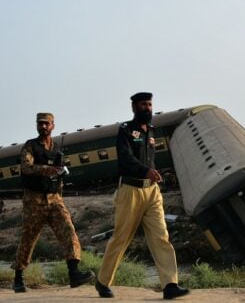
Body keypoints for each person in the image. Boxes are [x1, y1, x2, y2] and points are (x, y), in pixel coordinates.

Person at [95, 92, 189, 300]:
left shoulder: (152, 132)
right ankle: (102, 281)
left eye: (149, 104)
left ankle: (170, 284)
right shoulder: (126, 130)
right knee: (121, 238)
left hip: (152, 191)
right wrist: (145, 171)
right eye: (143, 105)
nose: (147, 108)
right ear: (134, 108)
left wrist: (154, 174)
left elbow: (150, 160)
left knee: (161, 236)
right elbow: (126, 158)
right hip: (130, 190)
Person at [11, 113, 93, 292]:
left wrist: (59, 185)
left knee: (68, 231)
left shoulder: (57, 149)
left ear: (53, 126)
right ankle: (18, 277)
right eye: (40, 124)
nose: (43, 127)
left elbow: (59, 175)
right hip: (34, 199)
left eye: (46, 124)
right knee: (28, 239)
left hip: (55, 199)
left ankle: (74, 273)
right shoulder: (30, 146)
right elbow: (25, 167)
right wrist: (45, 169)